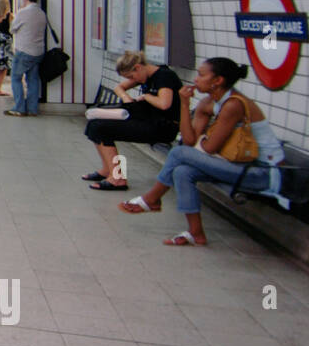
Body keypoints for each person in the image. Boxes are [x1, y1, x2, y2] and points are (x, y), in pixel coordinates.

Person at [118, 58, 285, 246]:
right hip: (236, 166)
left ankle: (152, 199)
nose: (196, 79)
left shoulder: (233, 105)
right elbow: (190, 140)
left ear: (218, 81)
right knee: (182, 171)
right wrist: (183, 103)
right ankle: (196, 233)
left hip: (260, 173)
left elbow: (209, 148)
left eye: (202, 75)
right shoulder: (209, 103)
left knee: (178, 153)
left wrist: (202, 141)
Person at [82, 50, 181, 190]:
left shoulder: (164, 76)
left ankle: (118, 179)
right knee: (94, 124)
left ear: (138, 67)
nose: (134, 80)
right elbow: (119, 88)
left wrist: (146, 97)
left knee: (101, 128)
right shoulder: (146, 74)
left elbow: (165, 104)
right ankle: (108, 169)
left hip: (163, 127)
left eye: (131, 76)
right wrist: (127, 99)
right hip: (148, 121)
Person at [5, 0, 47, 117]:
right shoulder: (41, 13)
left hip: (24, 51)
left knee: (16, 78)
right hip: (38, 51)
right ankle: (33, 109)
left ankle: (19, 108)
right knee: (33, 80)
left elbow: (12, 29)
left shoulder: (23, 13)